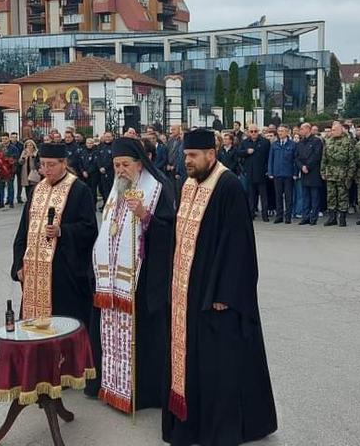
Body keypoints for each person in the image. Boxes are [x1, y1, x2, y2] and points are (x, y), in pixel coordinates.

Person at [162, 129, 277, 446]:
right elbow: (179, 232)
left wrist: (225, 294)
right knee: (193, 361)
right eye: (186, 156)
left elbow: (239, 246)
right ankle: (192, 423)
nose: (188, 161)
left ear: (211, 154)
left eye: (193, 156)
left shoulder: (227, 186)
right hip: (188, 289)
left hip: (216, 295)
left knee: (221, 365)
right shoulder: (188, 185)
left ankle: (223, 428)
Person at [87, 137, 175, 413]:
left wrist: (146, 215)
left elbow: (170, 232)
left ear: (140, 163)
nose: (121, 170)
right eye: (116, 165)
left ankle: (142, 393)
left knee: (144, 337)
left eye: (125, 164)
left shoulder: (158, 187)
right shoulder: (116, 189)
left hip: (143, 277)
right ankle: (110, 385)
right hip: (112, 280)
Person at [11, 142, 98, 326]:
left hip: (64, 273)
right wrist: (19, 263)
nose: (46, 169)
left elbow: (90, 229)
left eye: (51, 165)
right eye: (42, 164)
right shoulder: (37, 190)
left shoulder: (79, 190)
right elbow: (23, 231)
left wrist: (62, 231)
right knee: (33, 327)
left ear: (63, 163)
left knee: (63, 325)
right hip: (34, 272)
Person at [320, 121, 355, 227]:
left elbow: (352, 160)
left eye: (335, 130)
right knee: (331, 196)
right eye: (332, 130)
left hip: (342, 173)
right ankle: (332, 217)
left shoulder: (348, 142)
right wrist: (322, 171)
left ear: (341, 130)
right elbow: (324, 158)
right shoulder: (328, 141)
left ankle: (342, 218)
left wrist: (350, 175)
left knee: (342, 196)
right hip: (330, 173)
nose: (333, 132)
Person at [239, 124, 271, 222]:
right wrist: (246, 152)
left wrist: (268, 170)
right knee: (251, 195)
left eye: (255, 131)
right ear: (248, 132)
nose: (253, 133)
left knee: (264, 195)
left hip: (261, 172)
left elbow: (269, 157)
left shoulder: (265, 142)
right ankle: (251, 213)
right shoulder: (245, 142)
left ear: (258, 132)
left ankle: (265, 215)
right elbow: (238, 153)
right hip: (250, 172)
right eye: (251, 131)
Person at [295, 122, 324, 225]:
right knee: (305, 196)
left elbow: (316, 156)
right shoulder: (300, 143)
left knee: (315, 196)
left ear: (308, 129)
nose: (300, 131)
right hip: (304, 172)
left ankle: (313, 218)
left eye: (302, 129)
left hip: (313, 172)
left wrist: (307, 166)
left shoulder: (316, 141)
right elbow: (297, 157)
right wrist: (301, 166)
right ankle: (305, 217)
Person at [267, 125, 296, 224]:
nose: (280, 133)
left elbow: (295, 160)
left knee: (288, 197)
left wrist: (295, 173)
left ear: (287, 132)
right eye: (279, 131)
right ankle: (279, 216)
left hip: (288, 174)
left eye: (282, 131)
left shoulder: (292, 144)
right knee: (278, 196)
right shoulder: (274, 145)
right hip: (277, 174)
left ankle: (288, 216)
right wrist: (270, 172)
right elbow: (271, 159)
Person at [0, 133, 15, 209]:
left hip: (10, 171)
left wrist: (10, 162)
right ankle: (1, 202)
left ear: (8, 139)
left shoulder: (13, 148)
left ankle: (11, 201)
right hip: (1, 171)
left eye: (5, 139)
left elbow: (15, 157)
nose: (4, 140)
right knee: (1, 187)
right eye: (3, 139)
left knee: (10, 187)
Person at [97, 131, 116, 209]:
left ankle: (111, 206)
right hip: (101, 172)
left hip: (111, 172)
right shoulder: (100, 146)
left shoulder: (114, 146)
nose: (107, 138)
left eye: (109, 137)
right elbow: (98, 158)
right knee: (103, 190)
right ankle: (105, 205)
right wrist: (100, 167)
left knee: (111, 189)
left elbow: (113, 159)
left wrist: (105, 168)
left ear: (112, 137)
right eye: (106, 137)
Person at [5, 132, 25, 205]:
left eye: (15, 137)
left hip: (19, 166)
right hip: (10, 167)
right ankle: (9, 198)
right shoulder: (8, 145)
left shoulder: (21, 145)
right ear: (10, 138)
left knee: (20, 183)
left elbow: (23, 153)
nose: (14, 138)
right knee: (9, 183)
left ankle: (19, 197)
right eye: (13, 137)